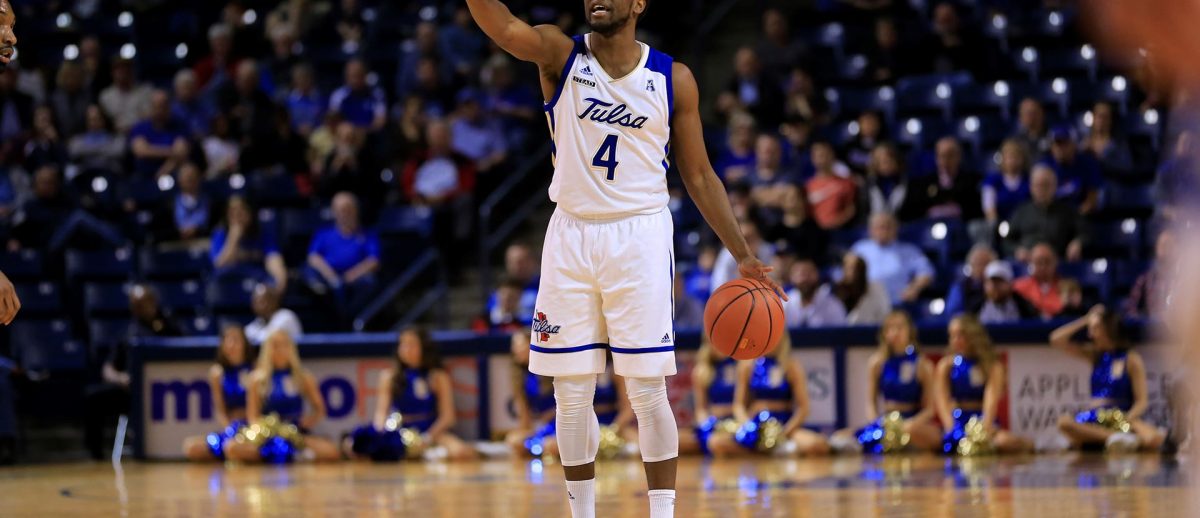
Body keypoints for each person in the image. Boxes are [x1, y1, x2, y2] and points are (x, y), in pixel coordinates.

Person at [465, 0, 783, 515]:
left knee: (646, 390)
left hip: (639, 236)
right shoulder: (559, 55)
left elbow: (700, 176)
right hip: (570, 232)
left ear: (638, 4)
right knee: (569, 393)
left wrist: (742, 254)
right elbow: (501, 26)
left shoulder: (672, 78)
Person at [345, 328, 476, 461]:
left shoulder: (437, 376)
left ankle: (428, 453)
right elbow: (381, 414)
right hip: (400, 431)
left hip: (431, 431)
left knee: (461, 452)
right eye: (403, 344)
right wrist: (381, 434)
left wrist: (427, 438)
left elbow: (448, 417)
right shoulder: (389, 376)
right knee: (354, 446)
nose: (407, 349)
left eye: (412, 344)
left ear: (424, 348)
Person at [85, 284, 182, 459]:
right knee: (93, 398)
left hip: (166, 391)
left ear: (153, 302)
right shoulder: (129, 333)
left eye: (143, 303)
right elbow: (108, 368)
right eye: (135, 305)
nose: (139, 308)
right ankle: (96, 456)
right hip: (132, 391)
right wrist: (121, 378)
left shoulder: (170, 326)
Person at [1050, 306, 1165, 453]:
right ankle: (1118, 439)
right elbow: (1056, 339)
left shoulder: (1131, 359)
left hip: (1122, 417)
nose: (1091, 334)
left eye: (1095, 328)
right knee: (1064, 423)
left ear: (1108, 329)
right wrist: (1086, 319)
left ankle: (1113, 440)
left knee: (1153, 438)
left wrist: (1126, 419)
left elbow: (1141, 401)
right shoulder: (1095, 356)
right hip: (1095, 418)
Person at [829, 311, 942, 454]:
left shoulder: (922, 365)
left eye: (900, 328)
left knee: (934, 438)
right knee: (839, 437)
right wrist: (876, 423)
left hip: (912, 423)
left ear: (910, 332)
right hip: (886, 422)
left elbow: (929, 409)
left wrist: (909, 425)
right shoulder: (877, 363)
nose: (895, 333)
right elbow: (871, 403)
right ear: (884, 333)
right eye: (890, 328)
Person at [223, 330, 341, 462]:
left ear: (291, 349)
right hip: (266, 436)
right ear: (267, 349)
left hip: (295, 433)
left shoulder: (303, 377)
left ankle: (288, 454)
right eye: (275, 345)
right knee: (232, 448)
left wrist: (306, 422)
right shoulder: (257, 379)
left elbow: (320, 409)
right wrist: (266, 431)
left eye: (285, 345)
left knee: (332, 451)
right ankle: (289, 456)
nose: (280, 350)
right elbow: (252, 416)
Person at [935, 315, 1034, 454]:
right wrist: (951, 427)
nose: (956, 340)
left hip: (982, 419)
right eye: (952, 335)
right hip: (957, 419)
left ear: (973, 335)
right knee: (934, 440)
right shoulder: (946, 365)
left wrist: (984, 428)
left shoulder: (991, 365)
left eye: (961, 335)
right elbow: (942, 401)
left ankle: (1028, 444)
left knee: (1004, 442)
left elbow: (991, 400)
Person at [732, 333, 830, 456]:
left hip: (784, 423)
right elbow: (738, 406)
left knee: (816, 445)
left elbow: (803, 408)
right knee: (718, 443)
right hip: (756, 425)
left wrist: (785, 432)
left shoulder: (791, 365)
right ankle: (764, 452)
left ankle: (774, 450)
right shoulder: (747, 365)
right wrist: (748, 426)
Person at [182, 325, 256, 461]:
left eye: (236, 340)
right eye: (227, 340)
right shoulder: (217, 373)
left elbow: (257, 408)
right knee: (191, 447)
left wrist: (251, 427)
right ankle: (233, 453)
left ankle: (246, 453)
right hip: (232, 429)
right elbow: (220, 410)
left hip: (253, 428)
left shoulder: (254, 370)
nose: (231, 345)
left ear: (245, 344)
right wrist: (229, 429)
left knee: (234, 448)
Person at [304, 192, 380, 318]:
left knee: (369, 282)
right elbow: (313, 257)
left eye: (347, 209)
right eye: (339, 210)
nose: (344, 214)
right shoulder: (324, 234)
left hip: (356, 280)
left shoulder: (368, 235)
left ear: (356, 210)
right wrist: (331, 276)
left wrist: (350, 277)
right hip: (328, 278)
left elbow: (374, 261)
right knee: (309, 277)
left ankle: (352, 321)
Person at [1005, 165, 1086, 262]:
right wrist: (1017, 250)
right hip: (1027, 263)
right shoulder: (1021, 211)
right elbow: (1006, 241)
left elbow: (1085, 233)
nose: (1041, 189)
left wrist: (1078, 242)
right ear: (1031, 187)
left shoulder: (1067, 211)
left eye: (1046, 185)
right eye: (1038, 185)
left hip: (1058, 264)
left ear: (1055, 186)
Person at [851, 213, 935, 305]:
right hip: (865, 303)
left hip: (897, 303)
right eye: (879, 227)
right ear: (870, 230)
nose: (882, 231)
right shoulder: (859, 249)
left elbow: (926, 272)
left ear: (896, 228)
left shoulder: (908, 251)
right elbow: (845, 274)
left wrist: (915, 288)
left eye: (887, 227)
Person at [210, 196, 287, 288]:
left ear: (251, 213)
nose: (237, 216)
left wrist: (278, 289)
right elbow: (220, 266)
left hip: (256, 284)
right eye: (232, 212)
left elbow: (276, 265)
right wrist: (233, 238)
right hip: (228, 286)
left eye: (241, 210)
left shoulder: (263, 234)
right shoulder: (220, 234)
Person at [900, 137, 982, 221]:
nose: (946, 160)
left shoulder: (972, 181)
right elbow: (909, 212)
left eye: (950, 155)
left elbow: (977, 211)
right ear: (936, 158)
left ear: (959, 157)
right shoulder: (922, 183)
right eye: (942, 156)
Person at [687, 337, 742, 456]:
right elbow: (700, 409)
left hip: (737, 421)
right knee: (679, 442)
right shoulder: (701, 371)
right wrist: (706, 425)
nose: (719, 347)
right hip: (714, 422)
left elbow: (743, 404)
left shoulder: (742, 366)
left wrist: (727, 410)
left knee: (717, 443)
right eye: (715, 342)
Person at [1040, 125, 1101, 214]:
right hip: (1051, 217)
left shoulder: (1087, 164)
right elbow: (1040, 199)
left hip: (1080, 217)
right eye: (1056, 144)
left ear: (1074, 144)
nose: (1060, 148)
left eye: (1064, 143)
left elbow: (1092, 199)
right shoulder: (1044, 166)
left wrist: (1075, 216)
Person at [129, 90, 190, 178]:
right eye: (156, 107)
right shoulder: (140, 127)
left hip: (171, 172)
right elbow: (141, 151)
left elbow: (181, 152)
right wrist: (171, 152)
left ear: (168, 107)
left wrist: (164, 171)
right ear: (150, 107)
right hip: (144, 175)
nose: (159, 111)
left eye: (163, 106)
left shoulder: (179, 126)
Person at [806, 141, 857, 230]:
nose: (822, 159)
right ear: (812, 159)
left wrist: (836, 223)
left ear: (832, 156)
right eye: (819, 156)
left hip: (840, 231)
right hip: (815, 233)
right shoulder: (808, 186)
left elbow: (850, 209)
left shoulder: (846, 183)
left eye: (825, 155)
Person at [1124, 230, 1174, 319]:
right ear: (1157, 248)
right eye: (1162, 245)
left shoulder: (1187, 279)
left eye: (1170, 245)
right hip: (1154, 328)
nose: (1166, 249)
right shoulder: (1146, 279)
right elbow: (1131, 309)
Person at [981, 139, 1032, 225]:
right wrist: (997, 226)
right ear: (1002, 159)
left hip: (1024, 225)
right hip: (1000, 226)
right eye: (1009, 157)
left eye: (1016, 157)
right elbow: (989, 209)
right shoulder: (992, 181)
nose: (1012, 161)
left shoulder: (1029, 180)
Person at [783, 259, 846, 328]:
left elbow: (841, 335)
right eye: (801, 274)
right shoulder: (784, 304)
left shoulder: (832, 304)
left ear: (817, 275)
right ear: (792, 277)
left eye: (809, 273)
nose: (805, 278)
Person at [1013, 243, 1070, 318]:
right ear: (1031, 263)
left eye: (1047, 261)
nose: (1043, 267)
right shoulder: (1018, 287)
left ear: (1055, 262)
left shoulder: (1067, 287)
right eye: (1039, 262)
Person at [971, 260, 1038, 323]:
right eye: (991, 282)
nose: (995, 287)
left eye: (999, 282)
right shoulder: (975, 307)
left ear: (1010, 284)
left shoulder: (1024, 307)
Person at [834, 252, 892, 325]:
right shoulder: (835, 290)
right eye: (847, 267)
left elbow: (885, 316)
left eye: (857, 268)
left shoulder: (876, 289)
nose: (852, 272)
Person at [945, 244, 995, 317]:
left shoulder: (998, 285)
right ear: (970, 265)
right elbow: (953, 313)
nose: (980, 267)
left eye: (985, 263)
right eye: (977, 263)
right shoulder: (960, 286)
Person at [862, 142, 907, 217]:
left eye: (888, 160)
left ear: (896, 160)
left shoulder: (908, 184)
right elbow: (863, 214)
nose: (885, 164)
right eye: (881, 160)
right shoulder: (867, 185)